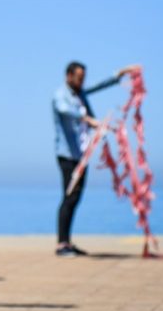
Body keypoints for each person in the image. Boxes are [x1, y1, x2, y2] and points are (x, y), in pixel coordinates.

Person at [54, 61, 138, 257]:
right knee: (69, 197)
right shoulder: (60, 95)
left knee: (75, 197)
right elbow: (64, 109)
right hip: (67, 155)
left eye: (83, 78)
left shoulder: (80, 93)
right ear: (68, 76)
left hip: (82, 154)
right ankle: (61, 244)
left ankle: (67, 241)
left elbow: (99, 85)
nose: (81, 81)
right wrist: (87, 119)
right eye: (78, 78)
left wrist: (120, 73)